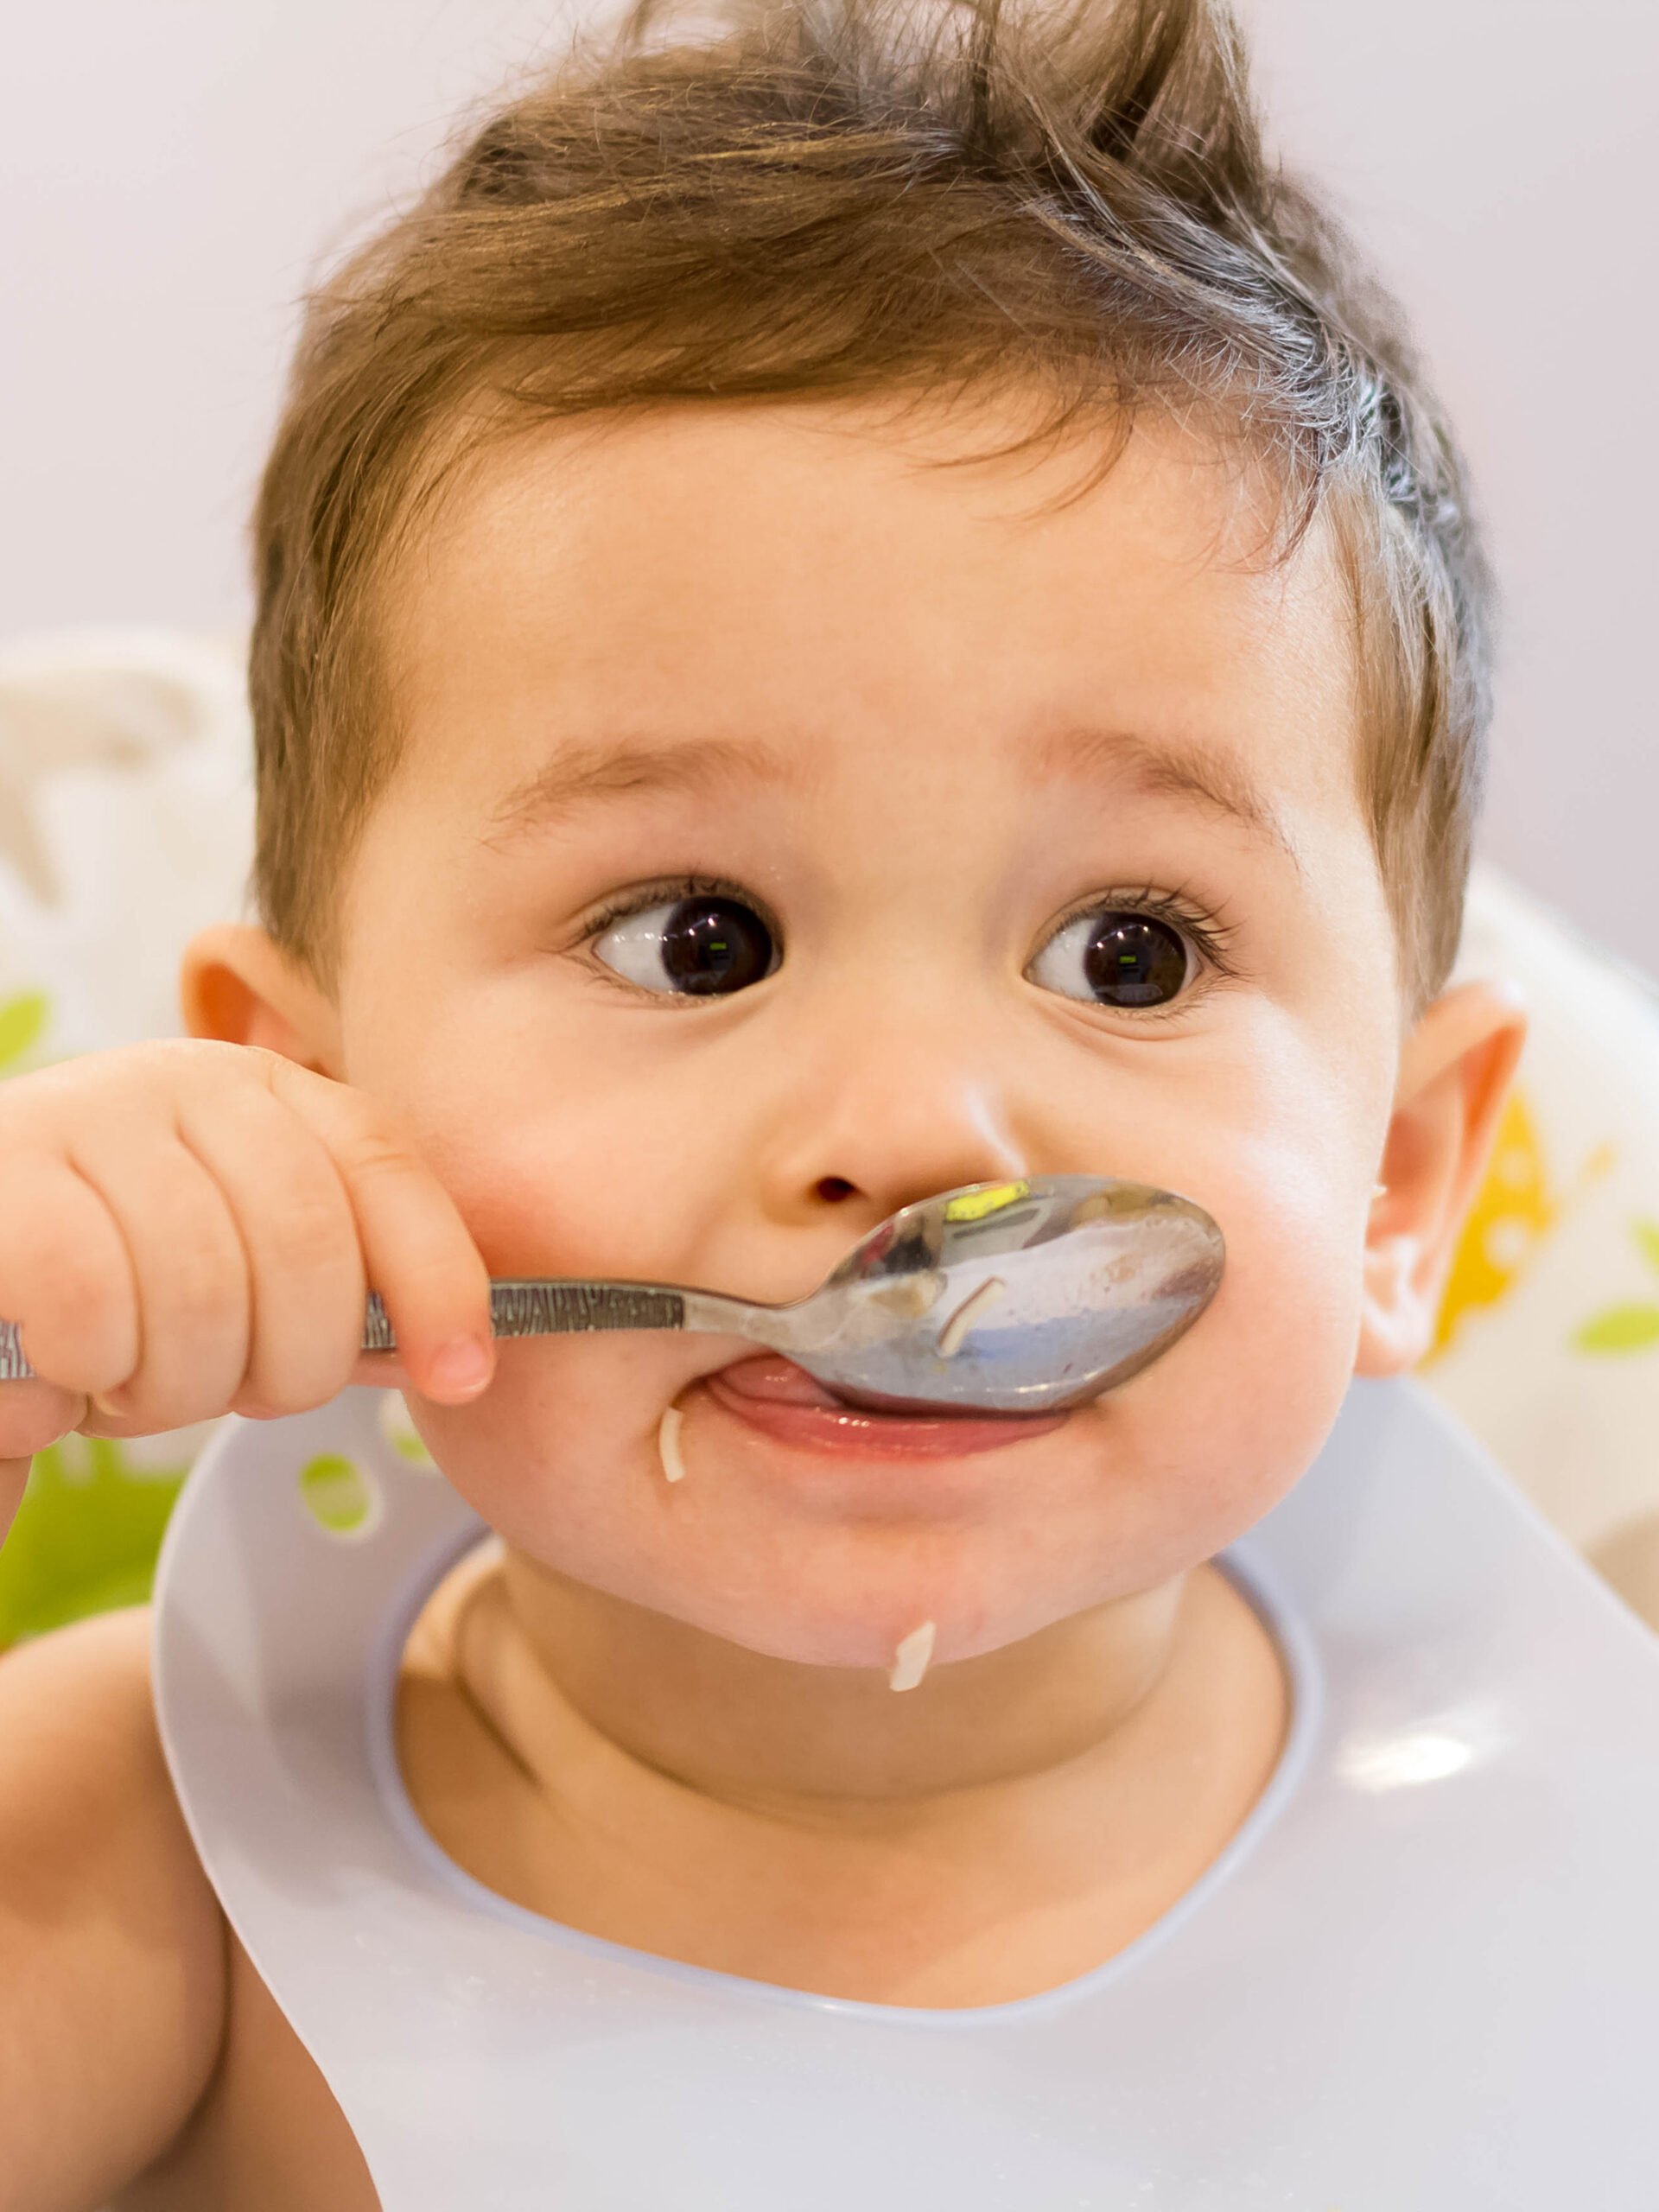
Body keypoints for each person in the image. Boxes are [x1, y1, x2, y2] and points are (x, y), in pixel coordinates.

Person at [0, 0, 1529, 2202]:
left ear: (1398, 1177)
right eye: (695, 934)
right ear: (308, 1099)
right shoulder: (173, 1836)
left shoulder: (1577, 1801)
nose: (917, 1131)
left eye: (1135, 951)